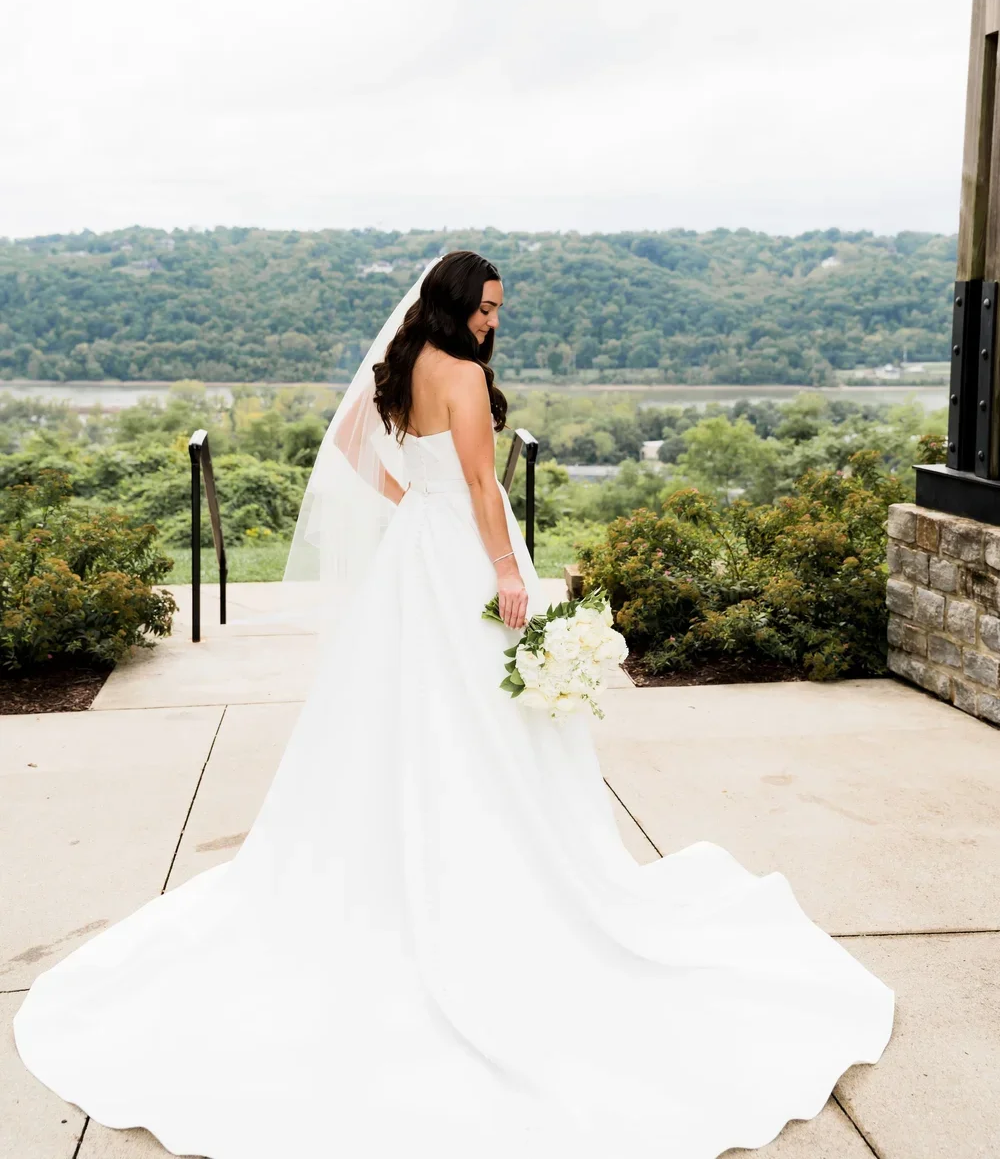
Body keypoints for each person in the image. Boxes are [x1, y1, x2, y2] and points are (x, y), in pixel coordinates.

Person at [14, 249, 895, 1159]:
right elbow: (483, 486)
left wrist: (411, 500)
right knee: (488, 716)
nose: (494, 322)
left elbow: (356, 446)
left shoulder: (398, 369)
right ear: (454, 303)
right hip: (467, 557)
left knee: (407, 715)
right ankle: (499, 877)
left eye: (498, 309)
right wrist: (510, 571)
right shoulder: (466, 376)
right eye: (485, 307)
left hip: (413, 556)